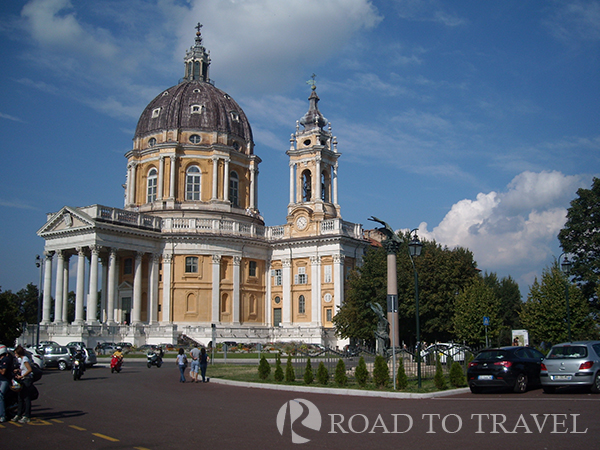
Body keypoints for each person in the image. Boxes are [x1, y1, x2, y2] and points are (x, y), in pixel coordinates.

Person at [12, 345, 33, 423]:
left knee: (26, 398)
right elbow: (24, 369)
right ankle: (19, 414)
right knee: (20, 397)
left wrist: (22, 376)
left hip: (26, 380)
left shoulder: (25, 359)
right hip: (23, 379)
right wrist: (18, 370)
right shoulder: (22, 360)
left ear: (19, 353)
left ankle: (27, 416)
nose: (15, 355)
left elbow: (29, 369)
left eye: (15, 353)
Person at [0, 344, 14, 423]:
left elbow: (3, 372)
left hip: (4, 380)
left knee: (0, 395)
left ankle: (2, 416)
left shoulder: (5, 359)